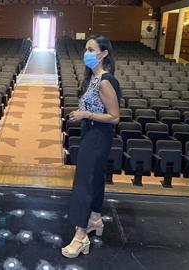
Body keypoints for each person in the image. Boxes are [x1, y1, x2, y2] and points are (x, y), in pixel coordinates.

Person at [61, 35, 121, 258]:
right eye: (85, 49)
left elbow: (115, 117)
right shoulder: (93, 78)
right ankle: (95, 219)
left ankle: (80, 236)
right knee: (94, 179)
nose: (86, 53)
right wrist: (84, 116)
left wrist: (86, 114)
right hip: (92, 133)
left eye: (91, 49)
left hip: (97, 136)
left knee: (83, 184)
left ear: (104, 54)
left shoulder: (105, 80)